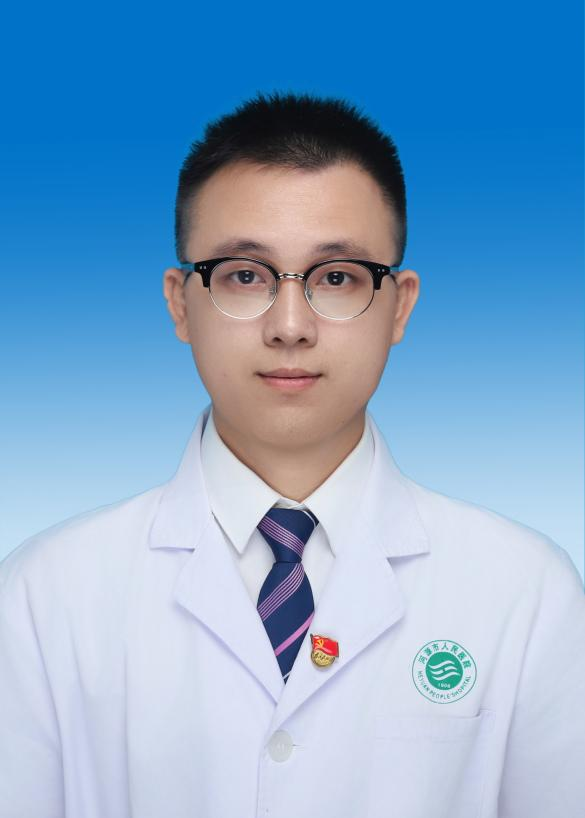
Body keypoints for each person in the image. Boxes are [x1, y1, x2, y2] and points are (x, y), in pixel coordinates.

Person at [0, 91, 583, 818]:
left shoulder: (525, 591)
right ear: (180, 303)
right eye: (245, 275)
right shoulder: (44, 594)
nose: (289, 325)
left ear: (399, 306)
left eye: (336, 278)